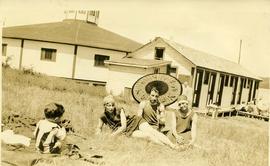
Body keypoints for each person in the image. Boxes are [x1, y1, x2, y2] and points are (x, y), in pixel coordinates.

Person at [96, 95, 178, 149]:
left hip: (136, 121)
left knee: (152, 131)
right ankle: (166, 148)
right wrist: (99, 135)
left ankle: (172, 146)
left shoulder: (119, 110)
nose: (111, 107)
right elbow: (99, 128)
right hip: (128, 132)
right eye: (108, 105)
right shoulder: (102, 116)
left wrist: (111, 135)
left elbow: (123, 126)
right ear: (104, 106)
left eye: (112, 105)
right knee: (147, 136)